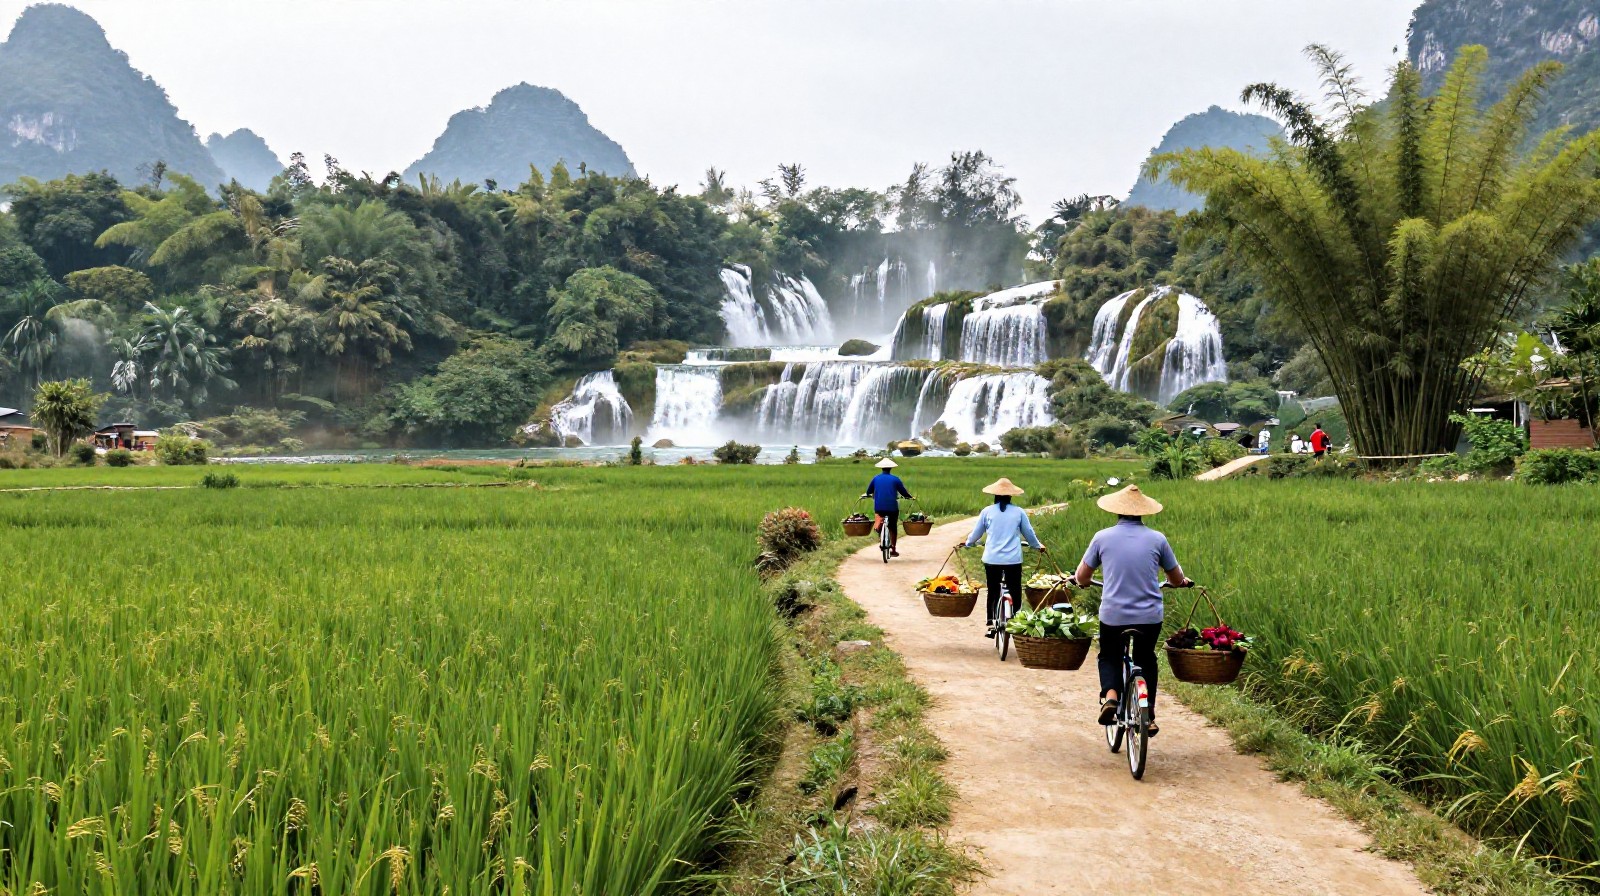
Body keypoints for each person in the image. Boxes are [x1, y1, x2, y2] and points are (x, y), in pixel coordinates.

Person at [1074, 484, 1190, 738]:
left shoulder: (1102, 537)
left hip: (1113, 615)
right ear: (1143, 513)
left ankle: (1111, 697)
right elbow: (1176, 576)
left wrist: (1080, 582)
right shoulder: (1157, 539)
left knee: (1109, 655)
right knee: (1146, 657)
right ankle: (1148, 716)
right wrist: (1179, 583)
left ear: (1116, 512)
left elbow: (1082, 576)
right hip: (1149, 616)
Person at [962, 478, 1045, 638]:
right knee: (1015, 589)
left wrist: (969, 543)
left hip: (992, 559)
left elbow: (976, 533)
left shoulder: (987, 511)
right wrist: (1037, 546)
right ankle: (1014, 618)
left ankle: (991, 620)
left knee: (993, 589)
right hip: (1013, 560)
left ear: (995, 495)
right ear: (1010, 496)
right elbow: (1029, 534)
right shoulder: (1019, 512)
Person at [863, 458, 913, 557]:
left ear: (881, 468)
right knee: (893, 526)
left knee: (880, 517)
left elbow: (868, 491)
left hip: (879, 507)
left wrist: (871, 493)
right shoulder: (895, 479)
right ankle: (893, 549)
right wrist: (909, 497)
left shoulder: (876, 478)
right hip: (892, 508)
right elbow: (903, 492)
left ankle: (880, 531)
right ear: (891, 468)